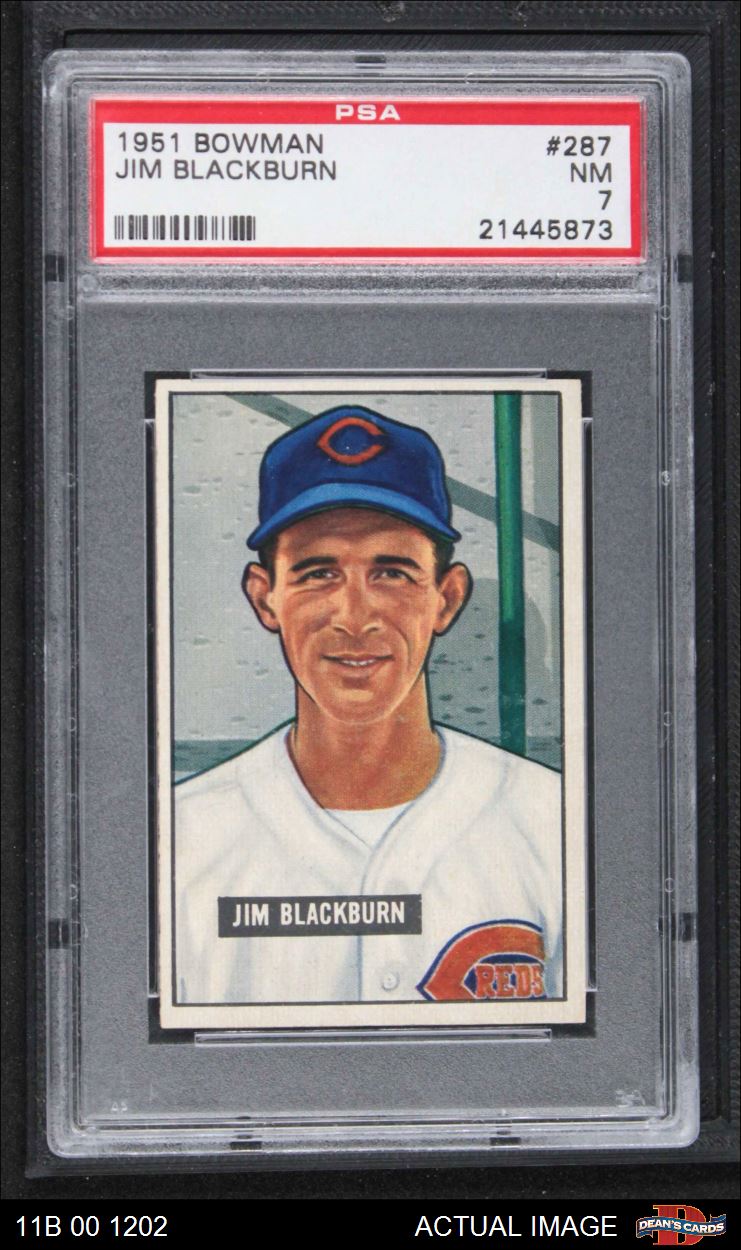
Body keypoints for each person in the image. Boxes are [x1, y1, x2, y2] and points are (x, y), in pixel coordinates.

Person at [173, 405, 562, 1006]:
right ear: (265, 596)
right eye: (318, 574)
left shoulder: (555, 823)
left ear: (447, 597)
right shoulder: (179, 842)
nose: (354, 618)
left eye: (392, 574)